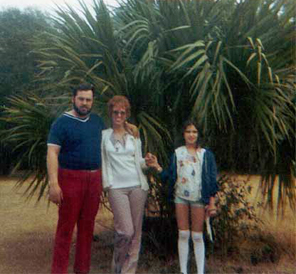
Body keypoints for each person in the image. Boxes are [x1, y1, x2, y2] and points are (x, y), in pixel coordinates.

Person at [145, 119, 218, 274]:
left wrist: (211, 202)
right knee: (183, 234)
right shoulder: (178, 153)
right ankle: (183, 271)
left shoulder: (206, 155)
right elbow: (170, 177)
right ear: (183, 134)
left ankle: (200, 271)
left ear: (198, 134)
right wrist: (157, 167)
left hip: (198, 198)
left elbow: (212, 180)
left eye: (194, 132)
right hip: (181, 198)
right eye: (188, 131)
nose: (191, 135)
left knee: (197, 236)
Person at [47, 83, 105, 274]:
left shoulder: (97, 121)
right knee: (65, 230)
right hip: (70, 178)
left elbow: (112, 139)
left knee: (87, 230)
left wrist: (129, 126)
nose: (84, 103)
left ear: (92, 101)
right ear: (73, 99)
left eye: (88, 100)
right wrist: (53, 183)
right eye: (81, 99)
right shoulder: (61, 123)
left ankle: (82, 270)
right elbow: (52, 153)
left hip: (94, 180)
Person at [101, 95, 149, 274]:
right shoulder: (104, 136)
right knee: (125, 232)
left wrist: (148, 162)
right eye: (115, 112)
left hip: (137, 187)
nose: (119, 116)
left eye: (122, 112)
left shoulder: (134, 135)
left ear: (127, 114)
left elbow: (139, 162)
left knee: (136, 235)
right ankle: (117, 266)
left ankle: (129, 271)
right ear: (110, 113)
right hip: (116, 188)